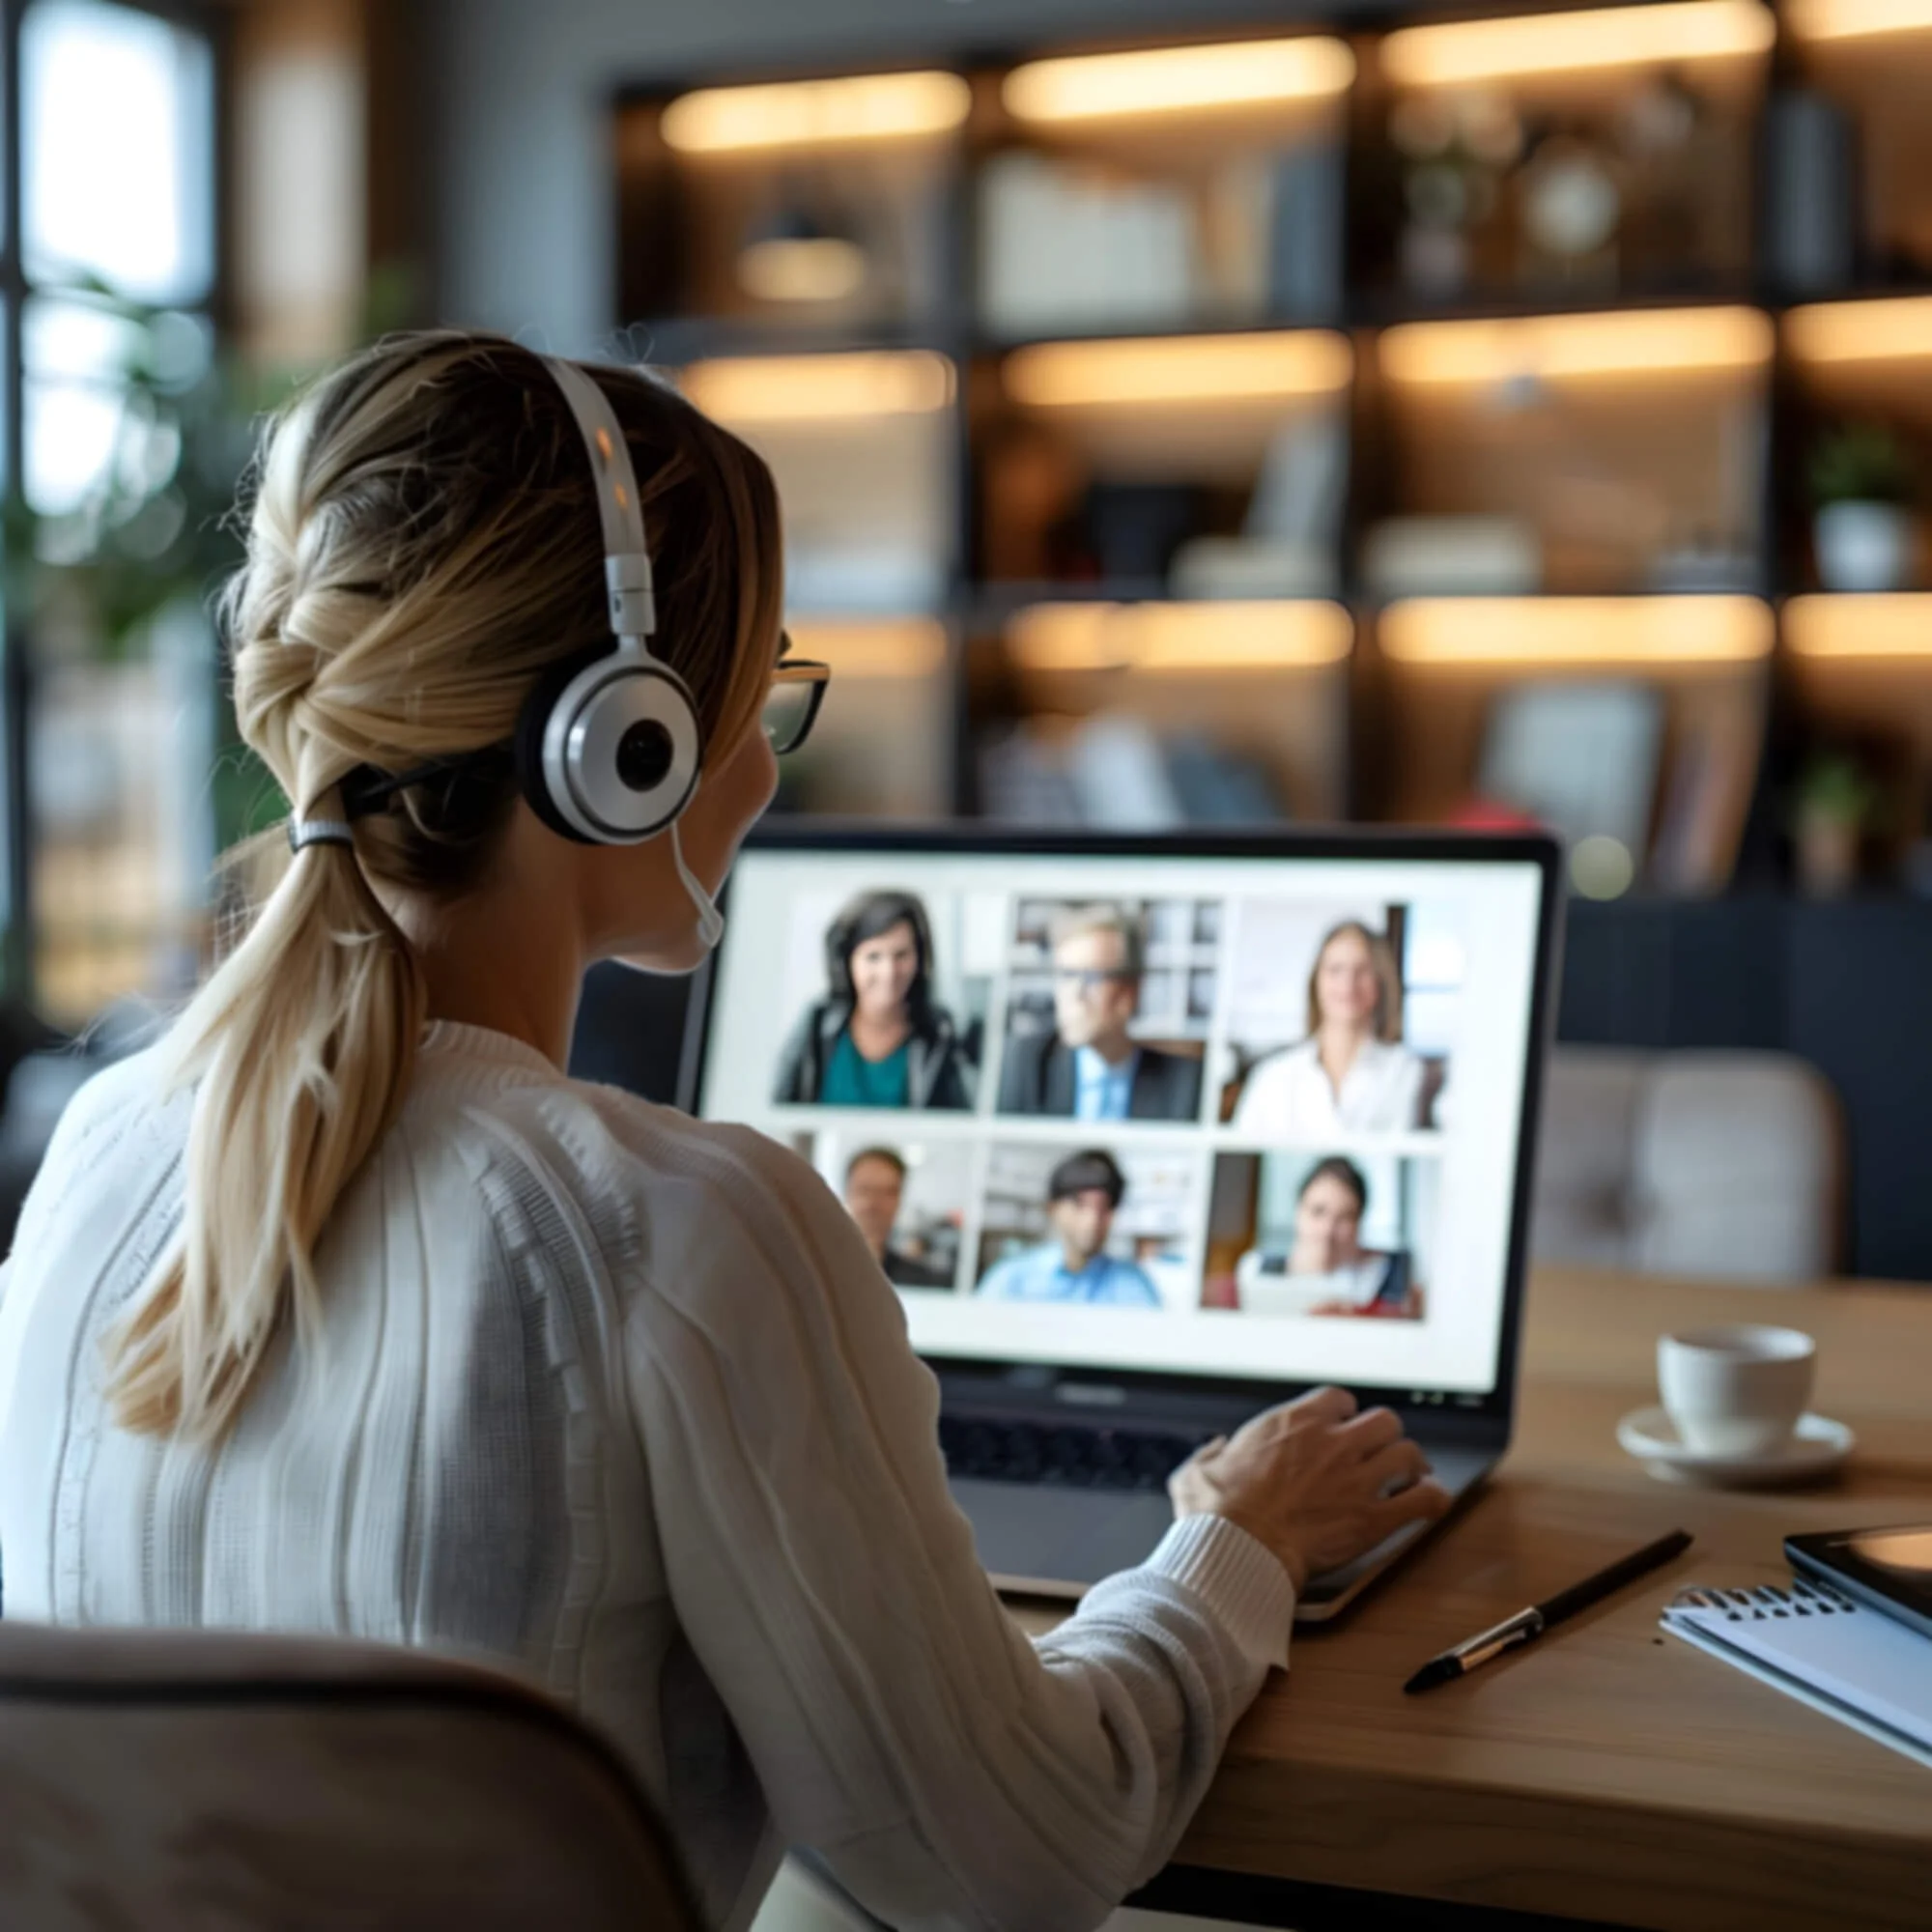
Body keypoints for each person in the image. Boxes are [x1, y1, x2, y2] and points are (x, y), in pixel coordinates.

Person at [0, 332, 1448, 1932]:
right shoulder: (678, 1237)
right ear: (627, 748)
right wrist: (1231, 1542)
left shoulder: (96, 1155)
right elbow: (1019, 1863)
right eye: (758, 691)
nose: (764, 759)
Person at [771, 890, 974, 1110]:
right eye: (873, 957)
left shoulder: (939, 1034)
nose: (889, 973)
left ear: (920, 958)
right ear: (846, 961)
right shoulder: (816, 1023)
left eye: (901, 955)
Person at [998, 905, 1204, 1122]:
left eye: (1092, 977)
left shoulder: (1183, 1081)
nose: (1075, 994)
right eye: (1067, 975)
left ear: (1130, 989)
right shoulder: (1025, 1063)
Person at [1233, 920, 1429, 1137]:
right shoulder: (1272, 1077)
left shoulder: (1404, 1071)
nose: (1348, 983)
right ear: (1317, 981)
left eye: (1362, 970)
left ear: (1380, 982)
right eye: (1335, 970)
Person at [976, 1149, 1163, 1307]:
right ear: (1053, 1208)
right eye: (1079, 1204)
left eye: (1104, 1207)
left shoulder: (1132, 1285)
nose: (1092, 1219)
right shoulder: (1012, 1279)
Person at [1236, 1157, 1420, 1319]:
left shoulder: (1389, 1277)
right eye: (1318, 1212)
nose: (1327, 1230)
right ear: (1298, 1212)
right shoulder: (1256, 1268)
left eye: (1344, 1218)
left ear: (1359, 1225)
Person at [841, 1145, 952, 1290]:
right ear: (847, 1193)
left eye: (886, 1192)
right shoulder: (818, 1269)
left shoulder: (922, 1281)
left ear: (900, 1198)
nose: (873, 1203)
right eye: (864, 1190)